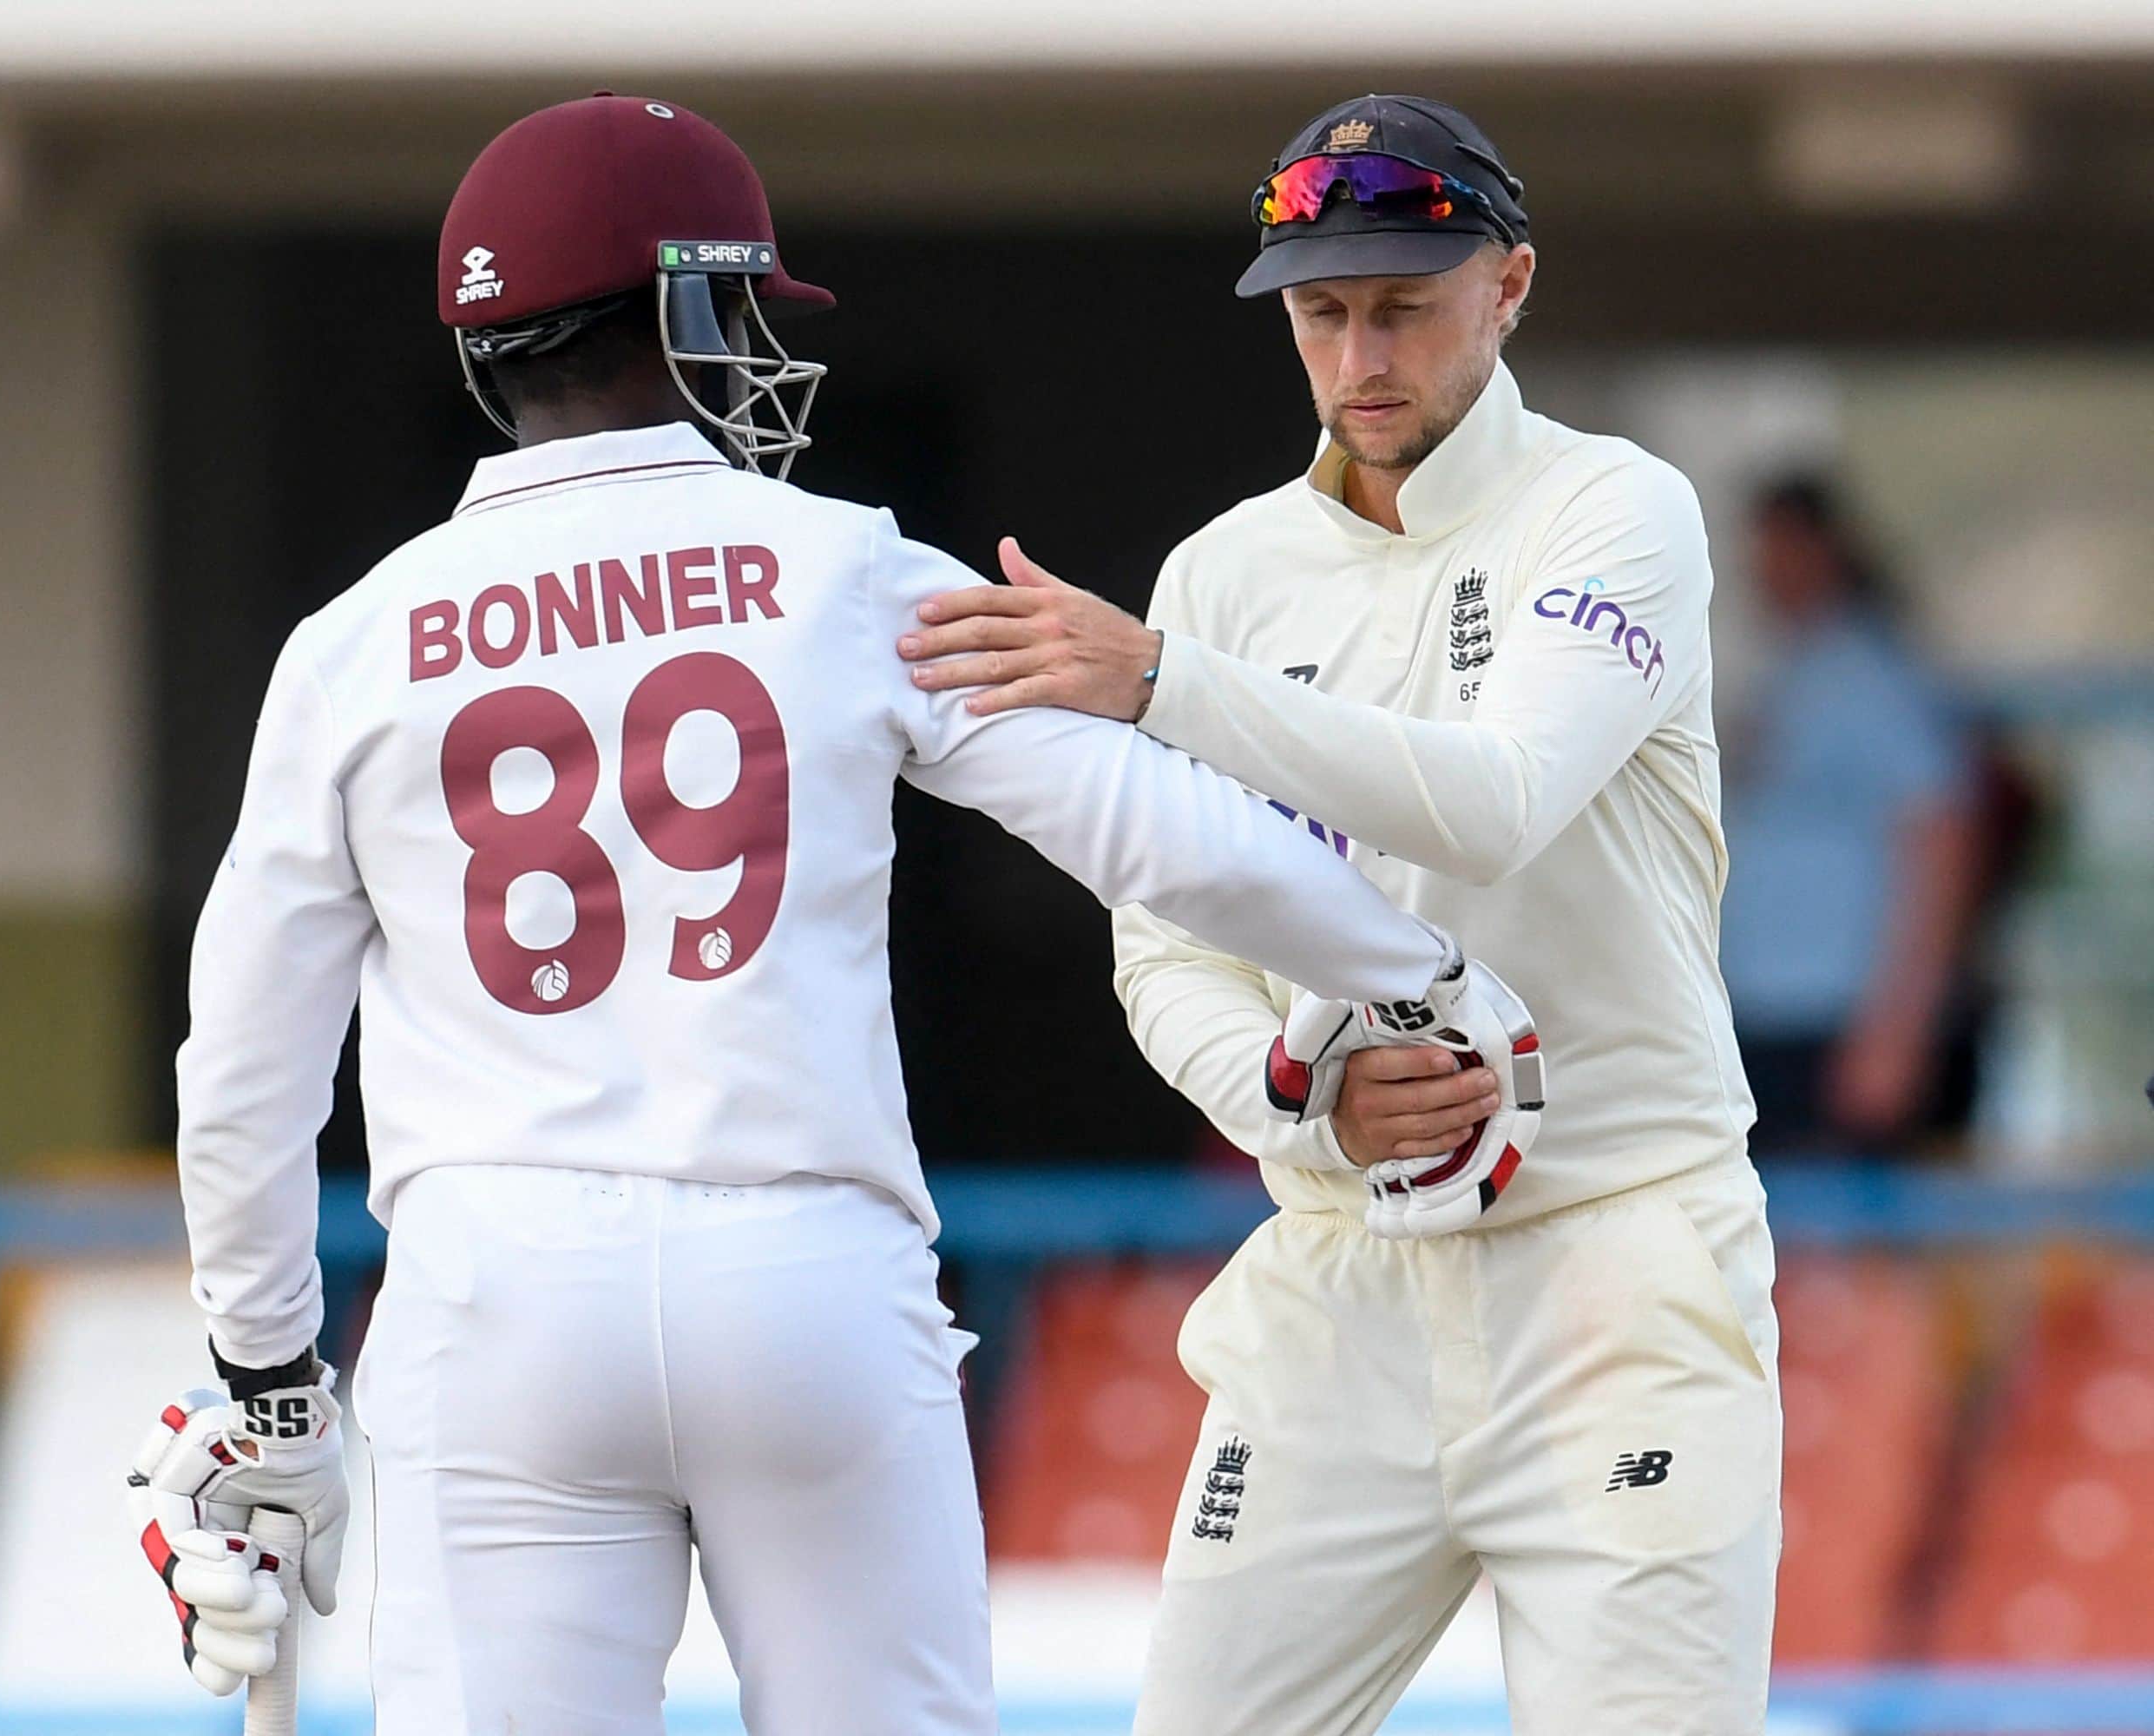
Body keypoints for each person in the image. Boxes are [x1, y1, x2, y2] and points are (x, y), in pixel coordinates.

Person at [118, 95, 1530, 1736]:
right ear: (686, 308)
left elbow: (242, 1070)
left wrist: (271, 1381)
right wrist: (1415, 970)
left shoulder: (348, 646)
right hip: (803, 1269)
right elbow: (1152, 826)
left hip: (495, 1295)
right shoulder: (844, 566)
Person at [896, 94, 1780, 1733]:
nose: (1362, 357)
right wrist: (1300, 1103)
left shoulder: (1617, 510)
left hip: (1620, 1262)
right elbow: (1167, 941)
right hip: (1343, 1272)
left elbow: (1498, 800)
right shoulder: (1225, 574)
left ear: (1509, 288)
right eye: (1323, 315)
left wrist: (1163, 683)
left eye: (1405, 307)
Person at [1723, 475, 1988, 1156]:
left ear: (1826, 550)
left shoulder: (1871, 674)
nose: (1767, 569)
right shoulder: (1795, 668)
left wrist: (1897, 1029)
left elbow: (1943, 841)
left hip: (1841, 1025)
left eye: (1782, 547)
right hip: (1770, 1017)